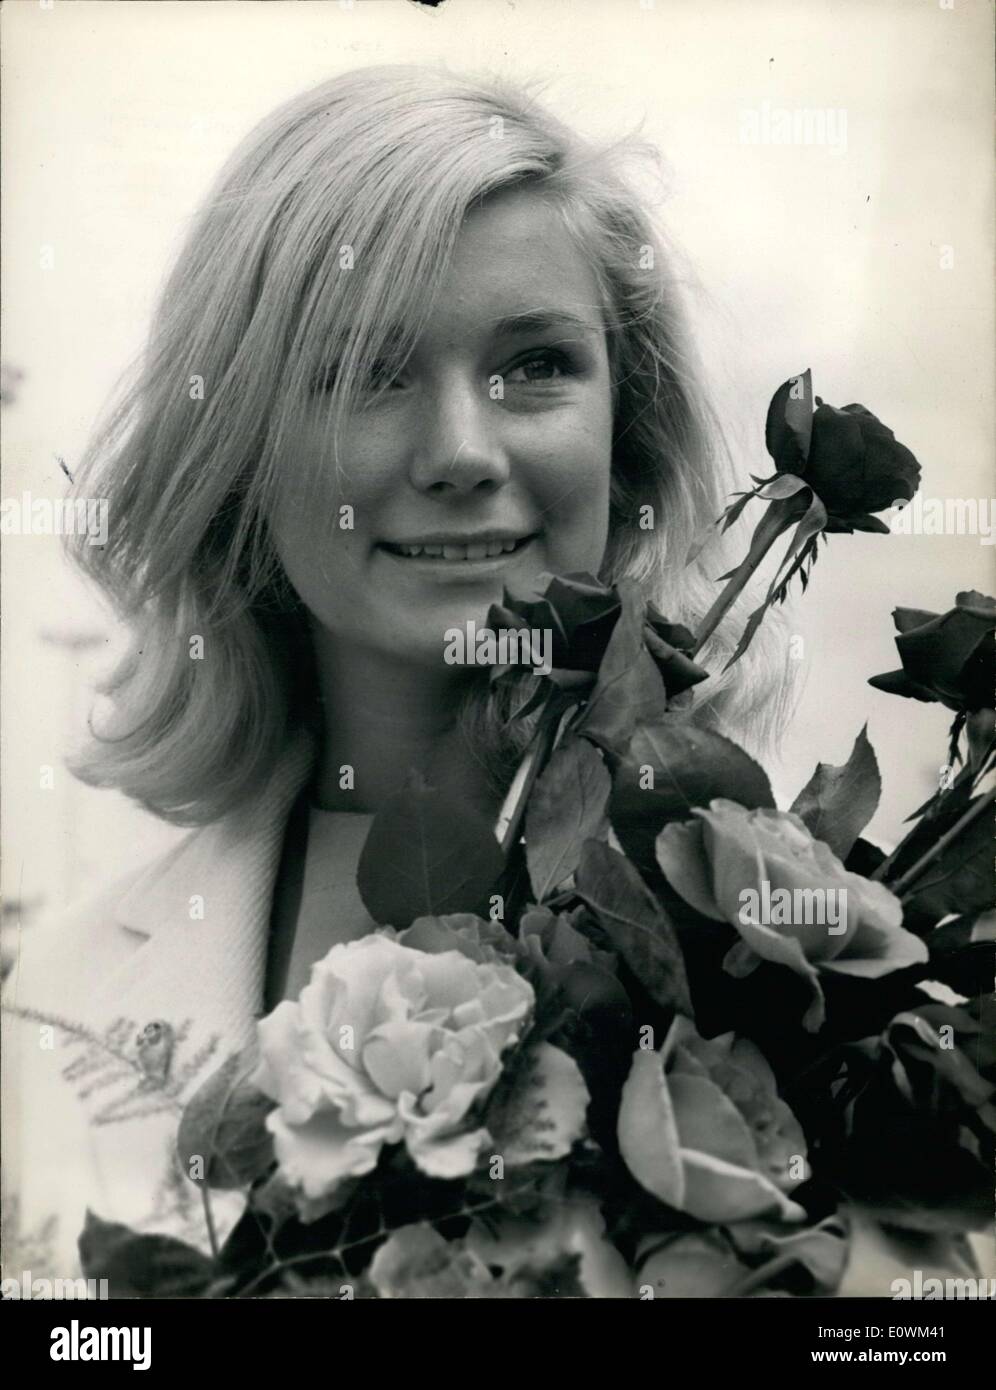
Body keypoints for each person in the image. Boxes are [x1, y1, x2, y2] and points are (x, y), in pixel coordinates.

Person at [1, 64, 786, 1284]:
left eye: (535, 364)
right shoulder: (52, 996)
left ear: (629, 435)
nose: (463, 452)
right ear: (240, 455)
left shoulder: (788, 941)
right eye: (364, 368)